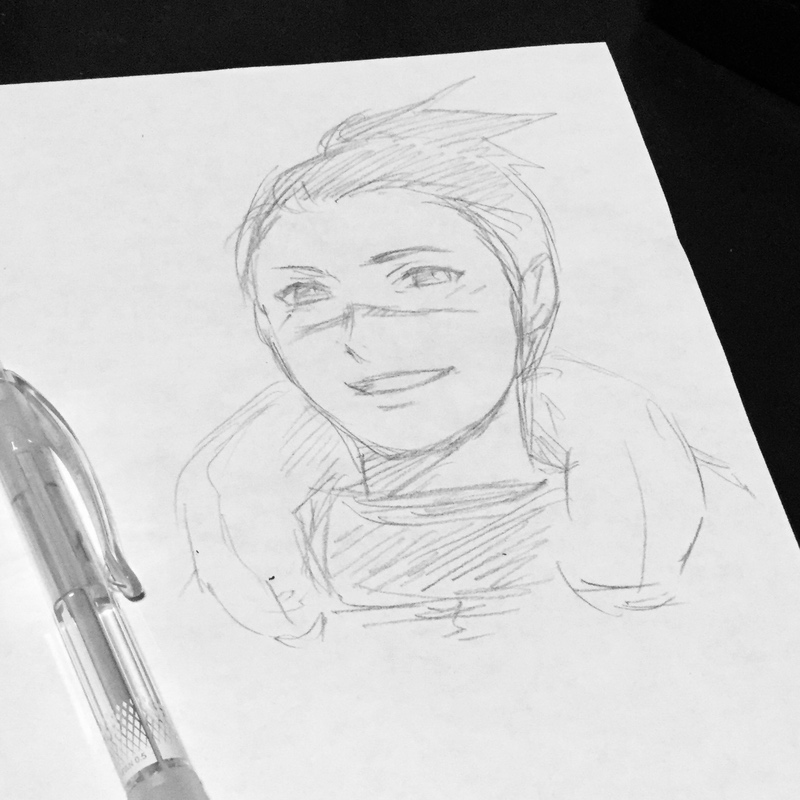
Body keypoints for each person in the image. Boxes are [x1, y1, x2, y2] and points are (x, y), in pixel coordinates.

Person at [177, 87, 741, 644]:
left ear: (532, 294)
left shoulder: (690, 512)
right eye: (304, 294)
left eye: (423, 278)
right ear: (266, 327)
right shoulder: (235, 544)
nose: (362, 339)